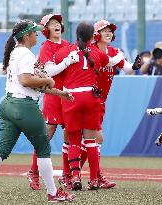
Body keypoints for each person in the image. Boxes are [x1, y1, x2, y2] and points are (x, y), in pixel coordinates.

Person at [0, 20, 75, 203]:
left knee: (1, 150)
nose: (37, 35)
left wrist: (59, 92)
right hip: (23, 106)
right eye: (34, 32)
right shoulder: (26, 54)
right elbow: (26, 80)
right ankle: (53, 193)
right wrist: (48, 79)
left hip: (8, 104)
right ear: (26, 36)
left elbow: (34, 85)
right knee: (43, 149)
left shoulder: (16, 53)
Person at [77, 19, 141, 189]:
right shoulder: (92, 51)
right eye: (104, 30)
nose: (108, 33)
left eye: (110, 31)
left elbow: (127, 69)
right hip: (88, 99)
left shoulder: (113, 51)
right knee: (95, 138)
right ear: (95, 34)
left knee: (89, 140)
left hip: (99, 102)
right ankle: (92, 176)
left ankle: (75, 173)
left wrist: (135, 65)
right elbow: (110, 62)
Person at [54, 22, 113, 191]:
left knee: (73, 141)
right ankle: (94, 180)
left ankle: (75, 177)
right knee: (90, 141)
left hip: (72, 97)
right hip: (91, 97)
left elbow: (54, 69)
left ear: (77, 34)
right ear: (92, 36)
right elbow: (111, 61)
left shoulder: (64, 52)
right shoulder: (98, 53)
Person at [26, 13, 78, 191]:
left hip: (68, 95)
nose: (57, 25)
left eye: (58, 22)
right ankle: (33, 172)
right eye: (52, 23)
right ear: (46, 29)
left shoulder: (68, 45)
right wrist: (67, 61)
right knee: (45, 137)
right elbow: (50, 73)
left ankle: (67, 175)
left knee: (69, 135)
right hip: (54, 96)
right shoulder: (46, 47)